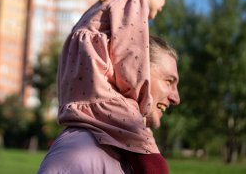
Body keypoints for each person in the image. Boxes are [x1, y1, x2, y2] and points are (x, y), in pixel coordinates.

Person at [38, 0, 171, 174]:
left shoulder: (97, 8)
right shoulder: (132, 1)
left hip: (79, 105)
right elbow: (130, 59)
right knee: (155, 164)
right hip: (107, 101)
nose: (164, 3)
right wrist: (141, 106)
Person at [37, 36, 180, 173]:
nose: (176, 98)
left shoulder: (135, 150)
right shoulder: (79, 152)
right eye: (168, 81)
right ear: (135, 76)